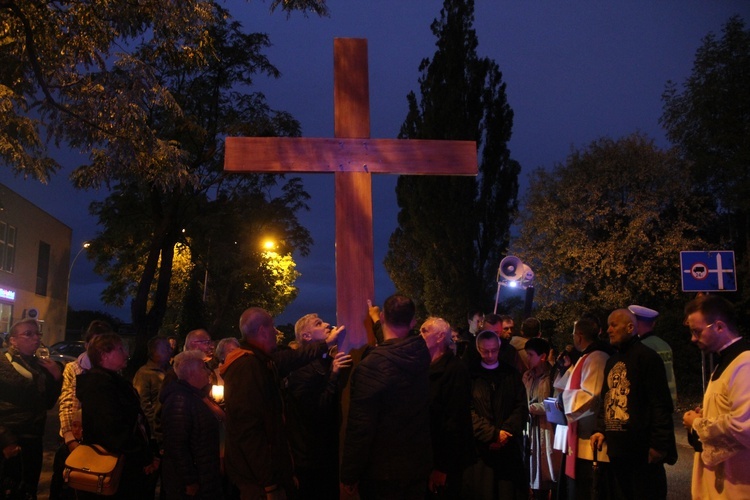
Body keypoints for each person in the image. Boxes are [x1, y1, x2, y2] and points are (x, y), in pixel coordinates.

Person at [221, 307, 343, 500]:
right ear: (262, 331)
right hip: (257, 481)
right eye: (273, 327)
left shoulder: (260, 360)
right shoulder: (247, 366)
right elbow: (249, 431)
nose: (277, 332)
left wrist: (326, 346)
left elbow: (292, 358)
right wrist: (269, 482)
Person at [340, 294, 432, 500]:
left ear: (383, 316)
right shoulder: (421, 354)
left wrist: (349, 473)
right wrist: (376, 322)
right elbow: (394, 347)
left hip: (382, 474)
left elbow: (360, 427)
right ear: (413, 322)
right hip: (416, 467)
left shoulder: (371, 367)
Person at [590, 309, 676, 500]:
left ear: (630, 327)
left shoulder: (647, 358)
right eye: (608, 325)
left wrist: (659, 444)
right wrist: (600, 429)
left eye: (614, 325)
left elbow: (660, 403)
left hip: (641, 451)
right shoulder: (612, 361)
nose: (608, 330)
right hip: (617, 451)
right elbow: (606, 398)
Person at [76, 333, 159, 499]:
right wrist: (143, 456)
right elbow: (112, 431)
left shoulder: (112, 381)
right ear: (104, 355)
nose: (126, 354)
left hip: (126, 464)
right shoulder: (100, 386)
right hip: (116, 467)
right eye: (120, 349)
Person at [682, 295, 750, 498]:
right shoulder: (725, 361)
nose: (693, 338)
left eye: (697, 331)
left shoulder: (744, 364)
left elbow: (744, 425)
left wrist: (698, 424)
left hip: (737, 483)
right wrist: (707, 414)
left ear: (719, 326)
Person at [284, 313, 352, 499]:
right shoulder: (302, 370)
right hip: (311, 458)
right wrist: (333, 376)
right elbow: (315, 412)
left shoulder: (322, 361)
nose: (327, 324)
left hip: (322, 453)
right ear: (306, 336)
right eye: (319, 323)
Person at [51, 319, 114, 499]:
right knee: (69, 487)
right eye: (95, 342)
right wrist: (70, 439)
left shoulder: (113, 369)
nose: (99, 348)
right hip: (76, 439)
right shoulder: (74, 368)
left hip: (102, 443)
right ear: (86, 344)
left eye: (104, 343)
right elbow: (67, 404)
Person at [0, 318, 62, 499]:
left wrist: (56, 378)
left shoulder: (40, 366)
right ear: (13, 340)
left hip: (33, 440)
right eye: (28, 334)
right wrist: (5, 439)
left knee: (28, 490)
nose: (36, 338)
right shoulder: (2, 363)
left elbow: (47, 403)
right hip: (8, 441)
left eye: (37, 334)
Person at [463, 330, 528, 500]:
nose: (490, 355)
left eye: (494, 350)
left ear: (499, 348)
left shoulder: (511, 374)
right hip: (481, 451)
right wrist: (492, 435)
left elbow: (521, 407)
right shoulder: (470, 376)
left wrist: (505, 432)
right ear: (478, 349)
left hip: (508, 448)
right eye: (485, 351)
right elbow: (466, 410)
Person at [420, 317, 475, 498]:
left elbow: (455, 421)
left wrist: (442, 467)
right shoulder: (422, 367)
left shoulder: (455, 371)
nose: (420, 335)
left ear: (440, 336)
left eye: (425, 330)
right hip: (425, 457)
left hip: (444, 462)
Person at [558, 317, 612, 500]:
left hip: (590, 439)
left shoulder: (597, 357)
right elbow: (566, 385)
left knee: (587, 490)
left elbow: (591, 394)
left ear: (579, 336)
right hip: (579, 437)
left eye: (574, 334)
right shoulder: (585, 356)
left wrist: (561, 401)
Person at [160, 350, 224, 500]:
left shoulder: (194, 396)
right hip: (192, 482)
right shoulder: (180, 400)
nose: (208, 372)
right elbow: (177, 446)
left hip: (203, 474)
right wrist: (189, 480)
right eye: (203, 368)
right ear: (190, 372)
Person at [523, 337, 561, 500]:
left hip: (548, 429)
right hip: (530, 429)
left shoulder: (554, 376)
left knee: (548, 470)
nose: (528, 358)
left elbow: (558, 403)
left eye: (531, 355)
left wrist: (532, 408)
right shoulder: (527, 376)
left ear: (543, 356)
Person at [628, 304, 678, 408]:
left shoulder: (641, 347)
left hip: (652, 404)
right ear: (653, 324)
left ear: (637, 323)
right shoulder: (664, 344)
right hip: (669, 400)